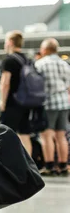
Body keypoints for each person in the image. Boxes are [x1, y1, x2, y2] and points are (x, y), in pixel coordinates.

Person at [35, 38, 70, 176]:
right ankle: (63, 166)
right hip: (63, 103)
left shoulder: (40, 64)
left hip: (48, 103)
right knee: (61, 135)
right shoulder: (64, 64)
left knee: (46, 135)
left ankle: (49, 166)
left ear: (45, 50)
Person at [0, 31, 33, 154]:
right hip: (26, 102)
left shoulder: (9, 60)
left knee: (5, 134)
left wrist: (2, 102)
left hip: (12, 103)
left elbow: (5, 83)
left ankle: (7, 165)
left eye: (5, 41)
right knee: (25, 134)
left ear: (10, 42)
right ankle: (29, 167)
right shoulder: (27, 59)